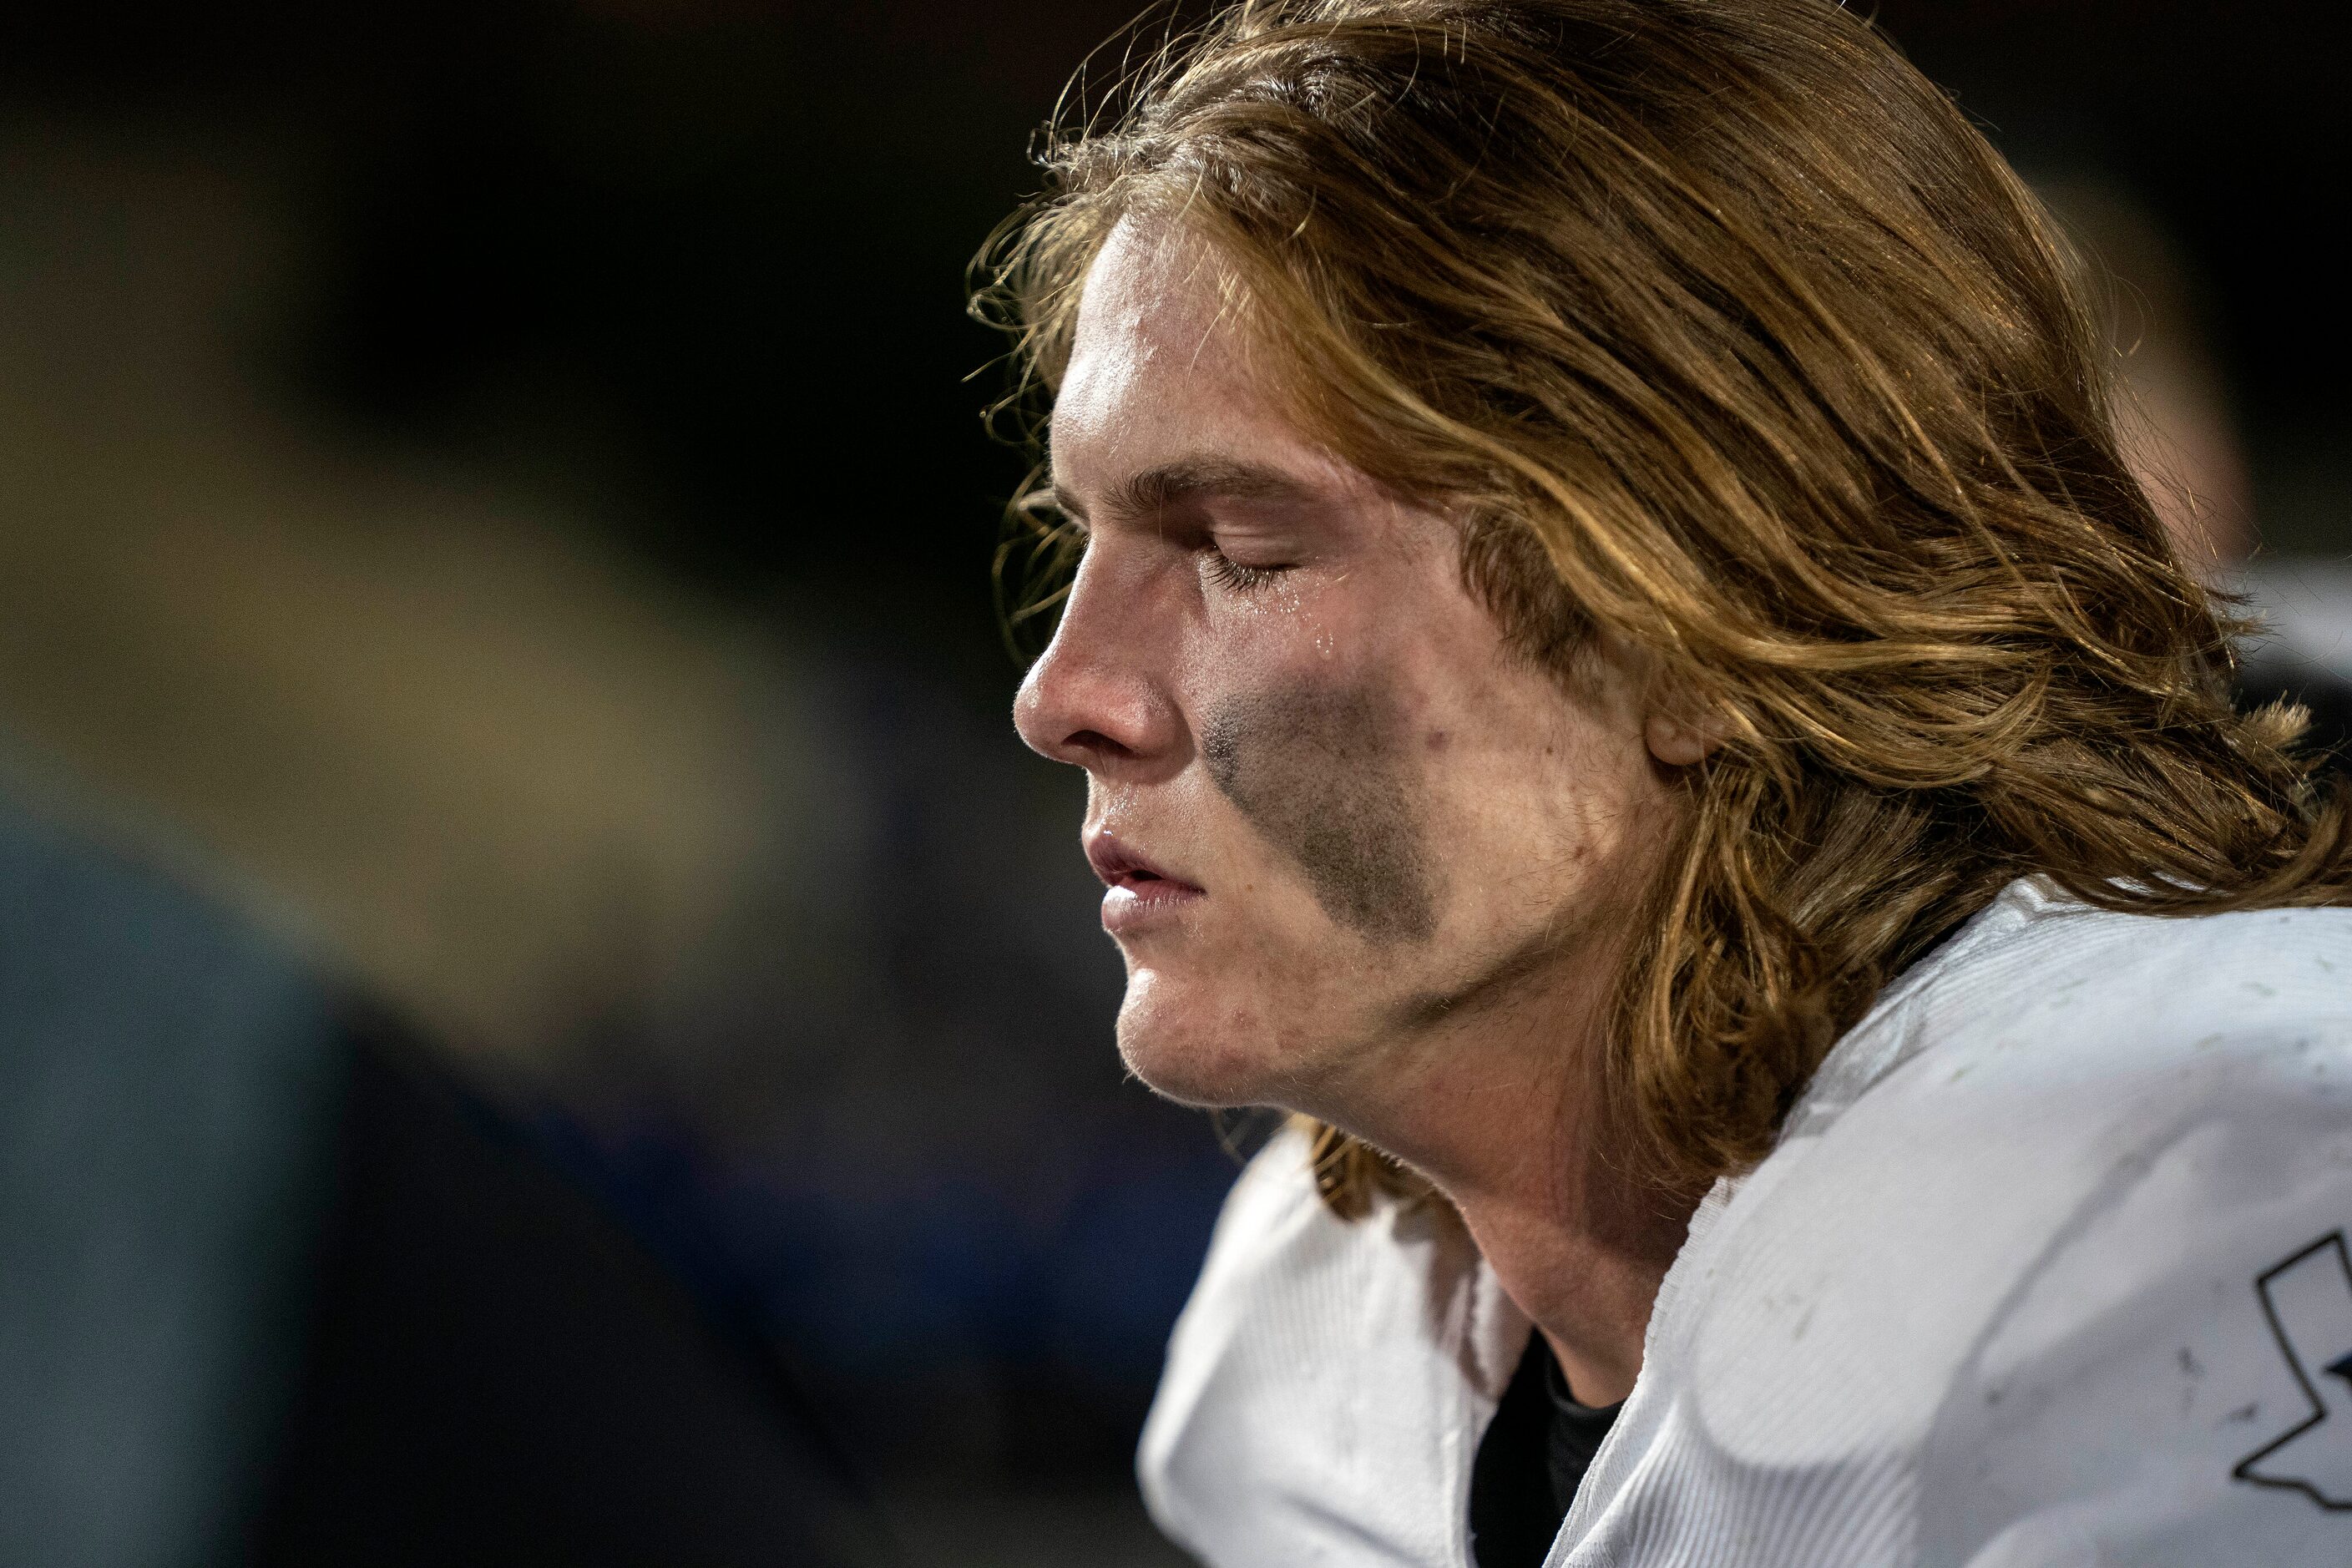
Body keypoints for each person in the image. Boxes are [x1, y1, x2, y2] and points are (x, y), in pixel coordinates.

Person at [983, 2, 2352, 1564]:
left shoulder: (2201, 1189)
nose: (1060, 695)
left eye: (1240, 550)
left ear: (1713, 618)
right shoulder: (1322, 1317)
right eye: (1080, 532)